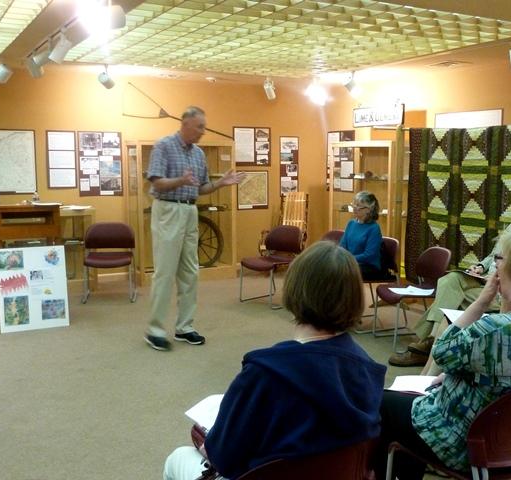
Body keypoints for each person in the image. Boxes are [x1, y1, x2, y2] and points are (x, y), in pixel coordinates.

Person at [163, 241, 387, 480]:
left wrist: (207, 447)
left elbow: (225, 459)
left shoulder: (263, 372)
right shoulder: (368, 370)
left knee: (178, 458)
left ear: (295, 289)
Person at [375, 222, 511, 480]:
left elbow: (441, 351)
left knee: (381, 403)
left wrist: (482, 301)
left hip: (467, 443)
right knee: (407, 407)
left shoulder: (493, 330)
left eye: (500, 260)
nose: (495, 267)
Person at [389, 185, 511, 367]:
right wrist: (480, 266)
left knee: (451, 298)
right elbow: (493, 255)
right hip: (486, 279)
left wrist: (501, 279)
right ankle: (431, 341)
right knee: (449, 280)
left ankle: (430, 344)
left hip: (503, 292)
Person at [144, 106, 245, 351]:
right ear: (185, 123)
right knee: (165, 272)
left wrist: (221, 183)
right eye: (199, 127)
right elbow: (156, 182)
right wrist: (180, 180)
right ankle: (155, 330)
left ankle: (185, 327)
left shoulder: (199, 154)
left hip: (190, 211)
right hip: (168, 210)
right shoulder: (163, 146)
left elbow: (201, 188)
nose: (202, 132)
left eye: (204, 127)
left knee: (190, 272)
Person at [339, 191, 384, 280]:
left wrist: (348, 259)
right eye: (354, 204)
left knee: (340, 272)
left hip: (368, 266)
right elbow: (342, 245)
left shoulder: (374, 228)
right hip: (351, 262)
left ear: (368, 209)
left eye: (358, 206)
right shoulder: (351, 223)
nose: (354, 208)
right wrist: (340, 257)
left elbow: (369, 255)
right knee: (329, 267)